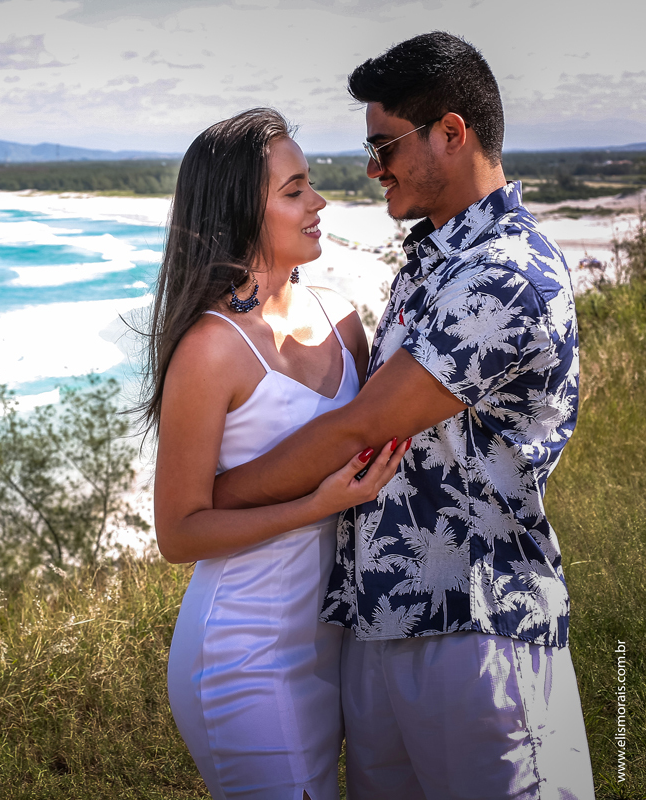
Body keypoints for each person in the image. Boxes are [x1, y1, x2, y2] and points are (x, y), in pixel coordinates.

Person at [211, 33, 595, 799]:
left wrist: (218, 498)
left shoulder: (505, 275)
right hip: (385, 624)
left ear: (451, 134)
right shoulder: (436, 262)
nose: (370, 167)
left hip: (477, 630)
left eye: (384, 144)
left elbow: (361, 426)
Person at [147, 107, 411, 800]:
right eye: (294, 191)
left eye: (310, 184)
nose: (318, 202)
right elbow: (179, 532)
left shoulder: (342, 318)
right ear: (242, 211)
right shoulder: (210, 350)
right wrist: (314, 507)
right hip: (245, 649)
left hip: (337, 647)